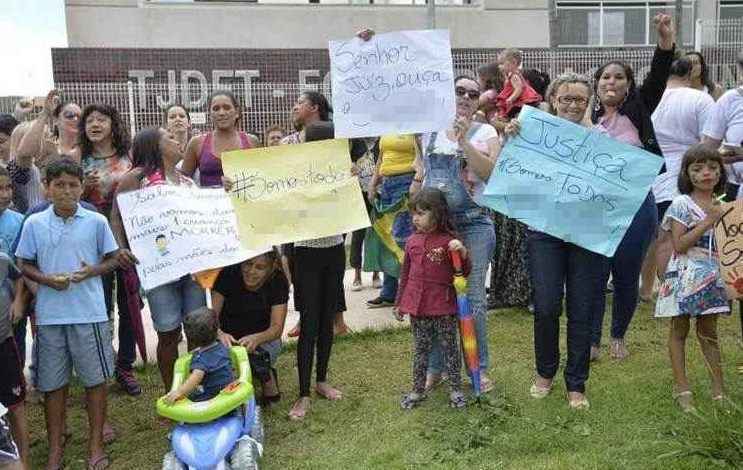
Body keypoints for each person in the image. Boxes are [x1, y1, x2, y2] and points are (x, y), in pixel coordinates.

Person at [15, 158, 134, 470]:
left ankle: (95, 445)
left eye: (73, 185)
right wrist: (45, 281)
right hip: (50, 318)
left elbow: (113, 259)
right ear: (47, 189)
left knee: (95, 381)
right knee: (52, 385)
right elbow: (23, 264)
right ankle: (55, 449)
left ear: (82, 188)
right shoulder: (34, 224)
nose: (67, 191)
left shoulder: (95, 221)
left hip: (90, 315)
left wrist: (92, 271)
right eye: (59, 185)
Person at [517, 73, 611, 409]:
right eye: (566, 98)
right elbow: (518, 173)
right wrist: (513, 137)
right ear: (553, 99)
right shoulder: (533, 132)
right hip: (545, 232)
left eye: (580, 99)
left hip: (586, 233)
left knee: (582, 308)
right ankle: (545, 372)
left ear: (590, 103)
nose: (572, 104)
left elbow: (615, 184)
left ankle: (576, 383)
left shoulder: (601, 137)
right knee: (545, 306)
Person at [590, 13, 676, 361]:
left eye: (619, 77)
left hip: (637, 204)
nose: (612, 81)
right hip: (595, 207)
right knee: (594, 275)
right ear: (596, 84)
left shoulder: (638, 109)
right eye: (606, 76)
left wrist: (664, 40)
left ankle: (618, 337)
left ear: (628, 85)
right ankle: (592, 340)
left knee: (626, 273)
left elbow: (657, 76)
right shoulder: (585, 117)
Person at [411, 75, 499, 393]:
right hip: (437, 229)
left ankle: (479, 368)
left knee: (472, 300)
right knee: (436, 300)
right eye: (458, 91)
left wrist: (463, 143)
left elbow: (492, 173)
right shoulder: (429, 133)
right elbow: (422, 176)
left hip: (474, 225)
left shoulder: (486, 131)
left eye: (472, 94)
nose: (464, 97)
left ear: (479, 100)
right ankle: (436, 368)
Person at [110, 127, 206, 391]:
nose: (178, 141)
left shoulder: (187, 181)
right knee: (168, 333)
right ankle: (171, 391)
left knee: (197, 330)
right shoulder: (137, 178)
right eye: (171, 138)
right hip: (159, 270)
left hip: (191, 268)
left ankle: (196, 384)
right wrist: (120, 249)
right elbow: (117, 217)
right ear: (154, 146)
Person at [654, 144, 729, 412]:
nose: (706, 173)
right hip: (685, 275)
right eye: (698, 169)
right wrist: (708, 221)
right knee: (680, 329)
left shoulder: (725, 205)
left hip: (714, 275)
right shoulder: (681, 204)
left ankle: (719, 390)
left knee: (709, 332)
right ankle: (682, 388)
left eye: (712, 167)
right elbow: (680, 244)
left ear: (721, 172)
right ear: (688, 174)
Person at [79, 103, 142, 396]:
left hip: (127, 236)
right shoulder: (77, 158)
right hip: (91, 239)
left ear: (112, 124)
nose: (94, 124)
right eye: (89, 120)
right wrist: (81, 188)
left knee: (130, 302)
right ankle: (103, 361)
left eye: (101, 119)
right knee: (100, 304)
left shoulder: (130, 157)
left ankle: (125, 365)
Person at [641, 58, 715, 303]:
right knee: (678, 237)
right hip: (684, 173)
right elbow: (708, 144)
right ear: (691, 72)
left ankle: (647, 289)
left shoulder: (650, 96)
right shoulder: (700, 99)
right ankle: (676, 290)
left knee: (656, 236)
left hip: (650, 171)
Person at [287, 121, 345, 421]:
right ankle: (303, 393)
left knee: (326, 320)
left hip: (334, 251)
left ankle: (321, 380)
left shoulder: (342, 170)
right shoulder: (296, 172)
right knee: (309, 322)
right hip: (306, 252)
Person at [394, 188, 468, 410]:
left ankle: (455, 389)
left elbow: (463, 272)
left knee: (450, 349)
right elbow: (405, 274)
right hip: (417, 308)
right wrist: (399, 302)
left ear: (437, 213)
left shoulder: (450, 241)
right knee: (420, 350)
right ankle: (417, 390)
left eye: (421, 213)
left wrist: (462, 252)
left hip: (444, 307)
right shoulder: (411, 242)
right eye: (413, 214)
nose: (415, 218)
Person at [213, 250, 288, 404]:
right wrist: (220, 333)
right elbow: (212, 318)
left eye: (260, 267)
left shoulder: (278, 280)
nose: (251, 271)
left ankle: (263, 372)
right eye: (248, 264)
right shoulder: (228, 273)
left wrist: (257, 338)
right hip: (229, 339)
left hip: (264, 340)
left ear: (271, 268)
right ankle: (262, 374)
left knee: (254, 358)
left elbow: (276, 329)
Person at [366, 134, 416, 308]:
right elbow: (381, 158)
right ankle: (389, 292)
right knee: (388, 238)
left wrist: (417, 183)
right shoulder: (387, 127)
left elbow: (422, 156)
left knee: (403, 239)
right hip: (387, 185)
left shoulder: (417, 125)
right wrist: (373, 183)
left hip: (407, 183)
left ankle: (410, 292)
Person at [180, 90, 258, 188]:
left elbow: (262, 178)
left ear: (237, 112)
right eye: (216, 109)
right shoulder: (196, 143)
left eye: (227, 108)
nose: (221, 113)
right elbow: (183, 182)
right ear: (210, 115)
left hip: (245, 202)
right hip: (209, 202)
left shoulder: (252, 142)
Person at [164, 307, 235, 404]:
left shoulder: (200, 360)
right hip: (229, 392)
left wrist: (179, 392)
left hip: (213, 398)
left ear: (190, 337)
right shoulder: (222, 346)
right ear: (217, 329)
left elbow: (194, 380)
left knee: (190, 398)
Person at [0, 251, 28, 470]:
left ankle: (24, 462)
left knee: (16, 405)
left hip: (4, 343)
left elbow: (18, 276)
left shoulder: (2, 259)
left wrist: (18, 301)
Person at [349, 137, 381, 291]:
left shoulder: (381, 140)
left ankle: (376, 274)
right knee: (358, 233)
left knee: (377, 233)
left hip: (378, 191)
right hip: (358, 192)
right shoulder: (354, 141)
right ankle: (357, 275)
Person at [494, 48, 542, 119]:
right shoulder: (512, 74)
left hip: (521, 100)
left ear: (514, 62)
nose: (499, 66)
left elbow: (519, 88)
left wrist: (511, 99)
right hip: (520, 100)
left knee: (515, 114)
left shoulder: (514, 76)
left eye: (502, 63)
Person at [476, 62, 505, 127]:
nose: (477, 81)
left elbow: (476, 103)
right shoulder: (496, 91)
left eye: (479, 78)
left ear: (485, 79)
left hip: (491, 123)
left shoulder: (490, 93)